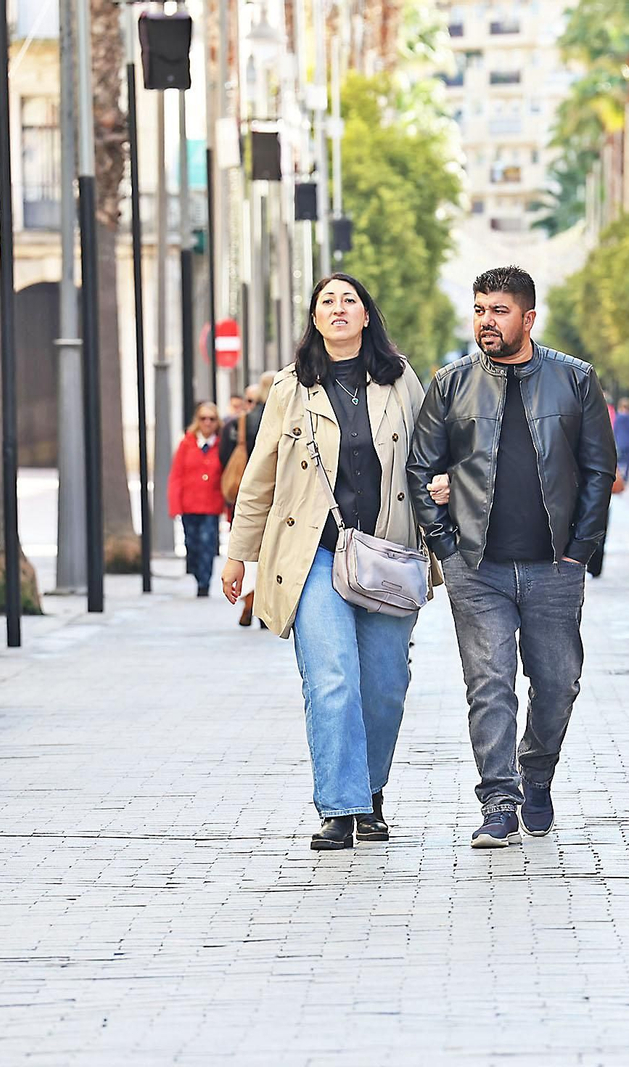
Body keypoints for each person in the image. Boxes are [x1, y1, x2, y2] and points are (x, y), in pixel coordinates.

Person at [409, 265, 616, 848]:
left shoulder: (575, 380)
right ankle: (498, 801)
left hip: (555, 565)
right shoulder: (450, 384)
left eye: (498, 311)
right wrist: (445, 545)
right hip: (478, 568)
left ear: (528, 318)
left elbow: (600, 468)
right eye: (478, 310)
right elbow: (421, 469)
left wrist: (580, 549)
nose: (485, 322)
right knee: (489, 683)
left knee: (558, 683)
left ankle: (538, 770)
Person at [222, 273, 429, 852]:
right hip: (312, 555)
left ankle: (372, 792)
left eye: (349, 301)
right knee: (332, 679)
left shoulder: (400, 380)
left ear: (367, 316)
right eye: (326, 302)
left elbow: (427, 458)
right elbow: (260, 478)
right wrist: (239, 555)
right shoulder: (290, 389)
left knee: (386, 684)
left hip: (387, 552)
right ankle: (340, 806)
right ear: (315, 319)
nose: (338, 309)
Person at [222, 372, 278, 624]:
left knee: (258, 551)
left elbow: (224, 456)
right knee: (275, 551)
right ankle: (262, 603)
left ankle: (253, 600)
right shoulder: (282, 415)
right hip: (280, 493)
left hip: (250, 490)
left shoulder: (243, 420)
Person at [168, 402, 226, 598]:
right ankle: (196, 572)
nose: (207, 423)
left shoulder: (221, 444)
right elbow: (176, 474)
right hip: (189, 504)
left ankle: (204, 582)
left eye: (211, 418)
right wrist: (175, 504)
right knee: (191, 544)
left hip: (211, 504)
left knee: (207, 544)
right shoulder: (187, 443)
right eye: (203, 418)